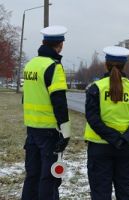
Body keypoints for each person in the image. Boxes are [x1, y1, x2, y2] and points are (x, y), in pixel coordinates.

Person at [84, 46, 129, 200]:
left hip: (99, 148)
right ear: (124, 65)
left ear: (106, 64)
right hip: (127, 149)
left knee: (100, 194)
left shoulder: (96, 89)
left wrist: (113, 138)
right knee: (126, 193)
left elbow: (93, 119)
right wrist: (124, 138)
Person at [22, 25, 71, 200]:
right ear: (60, 45)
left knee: (32, 175)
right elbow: (59, 102)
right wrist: (65, 133)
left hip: (32, 130)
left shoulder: (30, 65)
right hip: (49, 131)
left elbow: (26, 97)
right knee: (49, 178)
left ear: (44, 42)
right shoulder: (54, 66)